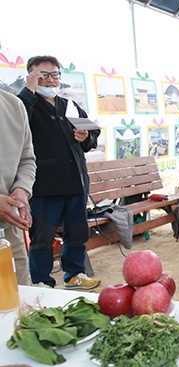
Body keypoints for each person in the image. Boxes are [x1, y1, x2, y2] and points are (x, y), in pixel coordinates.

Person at [18, 55, 101, 289]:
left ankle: (75, 274)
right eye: (43, 74)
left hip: (75, 182)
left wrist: (87, 137)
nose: (51, 80)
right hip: (44, 185)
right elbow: (15, 123)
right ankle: (42, 281)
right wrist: (29, 90)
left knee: (77, 233)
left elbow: (93, 134)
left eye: (55, 74)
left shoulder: (70, 105)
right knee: (42, 236)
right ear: (31, 76)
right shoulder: (25, 104)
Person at [0, 89, 36, 286]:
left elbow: (27, 159)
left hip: (8, 233)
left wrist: (22, 189)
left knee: (17, 304)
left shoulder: (13, 105)